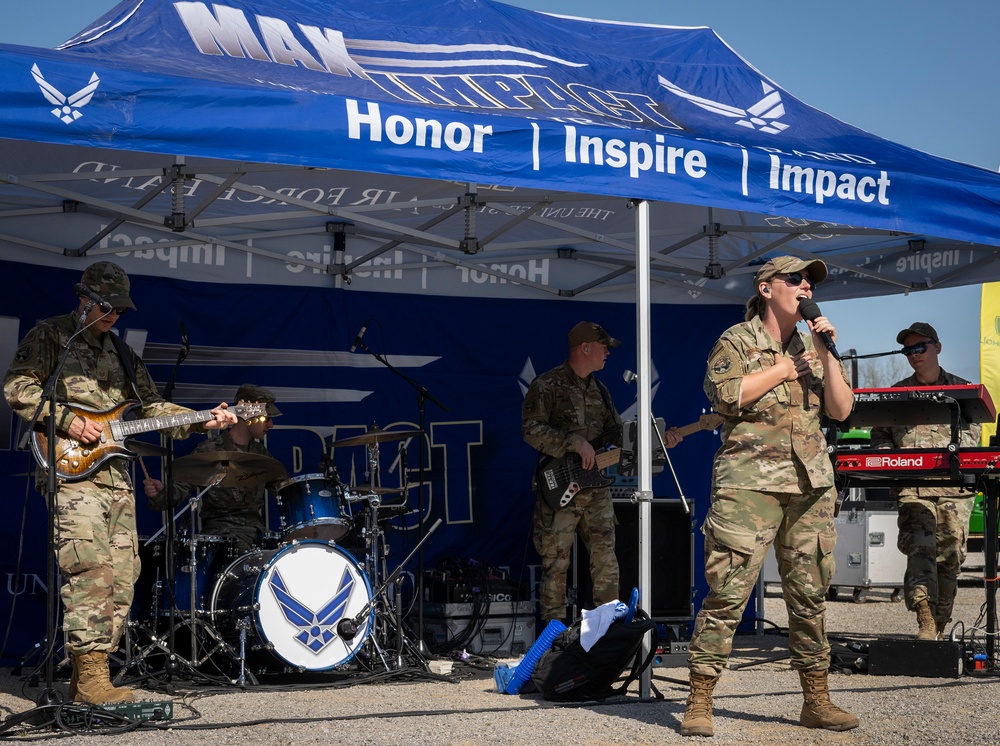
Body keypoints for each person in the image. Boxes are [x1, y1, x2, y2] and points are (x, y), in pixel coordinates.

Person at [3, 261, 237, 706]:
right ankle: (91, 679)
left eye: (120, 311)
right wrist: (69, 421)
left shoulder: (124, 354)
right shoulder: (52, 335)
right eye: (108, 308)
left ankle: (89, 679)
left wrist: (204, 421)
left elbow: (151, 407)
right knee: (89, 569)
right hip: (71, 471)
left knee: (125, 574)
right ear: (85, 299)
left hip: (115, 475)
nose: (114, 317)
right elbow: (18, 388)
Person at [681, 256, 857, 737]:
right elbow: (726, 396)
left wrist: (826, 352)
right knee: (728, 593)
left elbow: (841, 410)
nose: (805, 287)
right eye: (796, 280)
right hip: (749, 485)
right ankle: (699, 700)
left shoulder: (813, 343)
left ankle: (816, 700)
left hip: (809, 484)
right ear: (766, 288)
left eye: (810, 282)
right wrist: (782, 370)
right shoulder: (737, 341)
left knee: (809, 596)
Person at [522, 321, 681, 625]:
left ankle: (605, 633)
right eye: (603, 346)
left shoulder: (601, 390)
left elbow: (615, 437)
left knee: (606, 561)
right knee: (556, 566)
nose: (608, 352)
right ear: (584, 348)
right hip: (560, 489)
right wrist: (574, 442)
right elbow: (531, 430)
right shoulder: (547, 385)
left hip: (596, 490)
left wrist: (657, 442)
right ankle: (552, 643)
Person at [869, 323, 981, 641]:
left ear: (937, 347)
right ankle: (925, 621)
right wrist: (891, 460)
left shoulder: (962, 392)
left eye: (920, 348)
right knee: (920, 550)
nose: (914, 355)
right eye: (908, 350)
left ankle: (941, 622)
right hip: (913, 489)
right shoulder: (895, 395)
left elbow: (972, 438)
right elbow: (880, 437)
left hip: (952, 492)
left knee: (950, 557)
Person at [144, 384, 283, 554]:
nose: (271, 425)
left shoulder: (262, 455)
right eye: (266, 418)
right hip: (221, 536)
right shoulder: (208, 451)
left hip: (257, 533)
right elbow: (178, 491)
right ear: (248, 415)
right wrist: (159, 494)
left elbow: (287, 491)